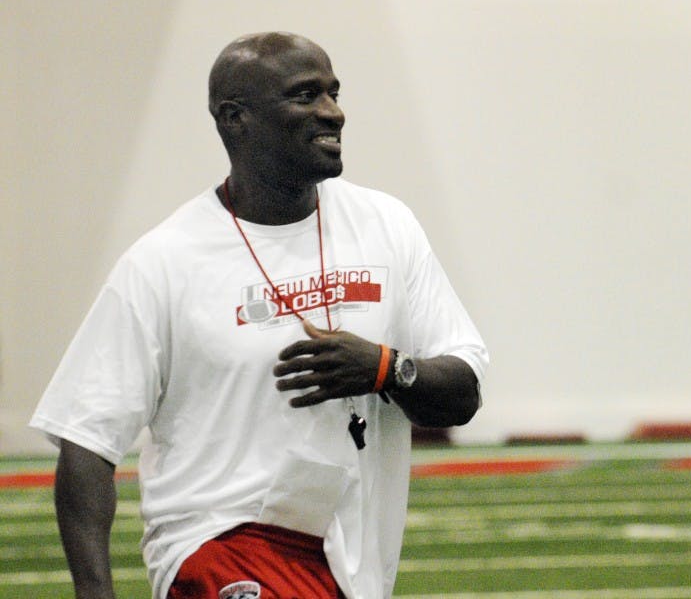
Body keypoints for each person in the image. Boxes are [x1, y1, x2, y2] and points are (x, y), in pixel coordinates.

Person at [30, 31, 488, 599]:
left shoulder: (387, 226)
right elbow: (85, 442)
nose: (333, 113)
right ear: (235, 118)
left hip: (348, 562)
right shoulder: (163, 262)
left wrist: (386, 368)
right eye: (305, 96)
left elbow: (463, 392)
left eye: (334, 92)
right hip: (217, 547)